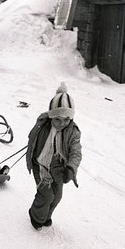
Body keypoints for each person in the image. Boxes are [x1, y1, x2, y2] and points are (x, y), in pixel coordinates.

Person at [26, 83, 82, 230]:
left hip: (58, 167)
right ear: (51, 116)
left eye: (66, 119)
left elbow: (76, 151)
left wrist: (71, 167)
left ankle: (45, 216)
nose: (62, 123)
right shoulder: (43, 125)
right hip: (41, 164)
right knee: (46, 195)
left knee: (57, 196)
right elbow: (32, 136)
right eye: (57, 119)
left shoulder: (73, 131)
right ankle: (36, 215)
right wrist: (32, 144)